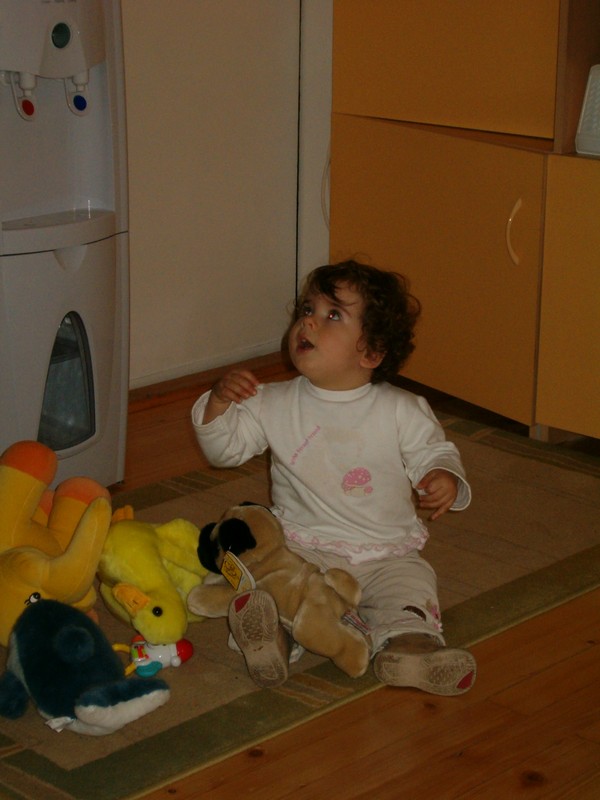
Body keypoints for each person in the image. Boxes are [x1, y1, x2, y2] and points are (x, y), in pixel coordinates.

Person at [192, 260, 476, 695]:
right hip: (304, 546)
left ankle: (410, 647)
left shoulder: (401, 408)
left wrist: (443, 476)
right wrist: (218, 404)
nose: (308, 321)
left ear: (371, 352)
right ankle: (272, 638)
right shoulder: (271, 401)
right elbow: (224, 451)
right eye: (307, 309)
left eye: (333, 315)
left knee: (411, 588)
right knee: (281, 584)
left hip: (385, 552)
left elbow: (433, 452)